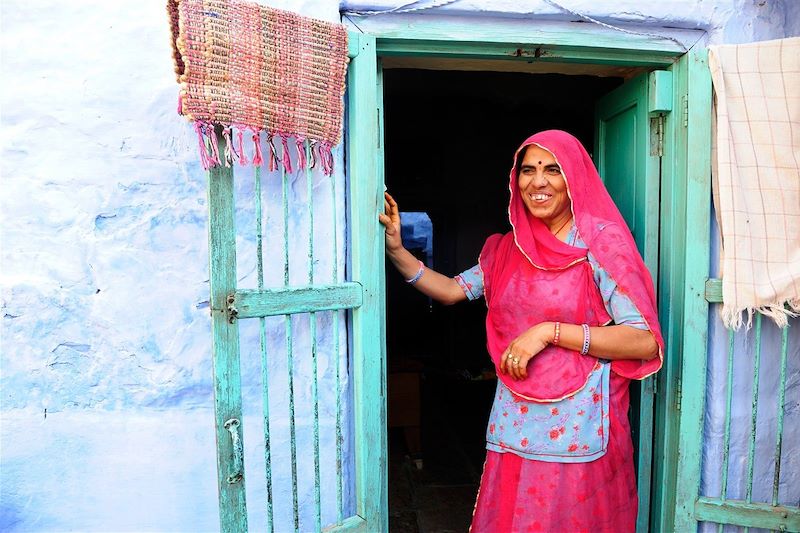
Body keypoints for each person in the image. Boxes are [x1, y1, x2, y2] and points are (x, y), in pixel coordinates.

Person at [379, 129, 664, 532]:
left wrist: (547, 332)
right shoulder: (509, 247)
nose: (538, 181)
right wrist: (397, 250)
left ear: (574, 178)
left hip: (581, 419)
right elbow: (450, 291)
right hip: (518, 414)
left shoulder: (600, 242)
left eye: (553, 169)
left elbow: (644, 340)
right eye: (528, 170)